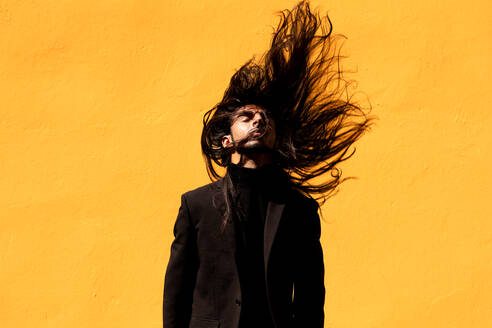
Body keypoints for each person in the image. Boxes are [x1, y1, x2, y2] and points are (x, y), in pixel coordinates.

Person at [163, 1, 375, 327]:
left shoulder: (298, 208)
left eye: (266, 119)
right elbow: (177, 291)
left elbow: (309, 296)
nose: (259, 122)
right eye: (247, 118)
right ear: (227, 141)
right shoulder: (197, 204)